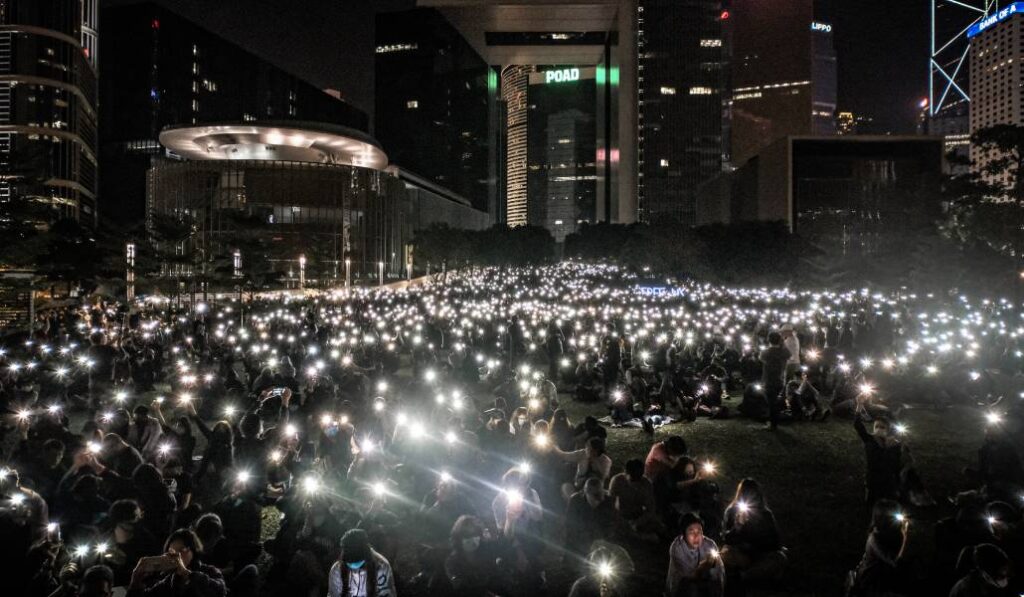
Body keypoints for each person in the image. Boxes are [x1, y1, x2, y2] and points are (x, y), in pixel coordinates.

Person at [720, 479, 786, 587]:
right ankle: (753, 576)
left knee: (780, 557)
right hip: (740, 554)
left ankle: (743, 576)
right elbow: (726, 539)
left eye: (753, 496)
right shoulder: (732, 511)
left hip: (761, 555)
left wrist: (759, 539)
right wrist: (737, 527)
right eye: (746, 496)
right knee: (724, 554)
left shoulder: (765, 514)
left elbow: (775, 541)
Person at [127, 528, 226, 597]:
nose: (177, 556)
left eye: (182, 550)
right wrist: (135, 581)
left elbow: (219, 591)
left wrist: (185, 573)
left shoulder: (210, 571)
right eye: (172, 552)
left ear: (193, 550)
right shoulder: (170, 581)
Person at [849, 499, 910, 596]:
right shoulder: (874, 538)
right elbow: (895, 561)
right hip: (872, 579)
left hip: (886, 574)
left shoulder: (892, 532)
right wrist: (905, 536)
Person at [666, 512, 724, 597]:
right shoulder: (677, 548)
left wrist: (713, 567)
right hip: (682, 587)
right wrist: (703, 566)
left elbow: (719, 572)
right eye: (691, 532)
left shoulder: (710, 545)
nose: (696, 536)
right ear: (684, 534)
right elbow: (687, 576)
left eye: (699, 531)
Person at [327, 528, 396, 597]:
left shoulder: (381, 566)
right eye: (350, 563)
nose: (354, 567)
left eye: (357, 561)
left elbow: (387, 594)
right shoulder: (337, 570)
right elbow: (334, 595)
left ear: (366, 556)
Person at [565, 478, 621, 559]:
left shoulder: (609, 502)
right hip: (580, 541)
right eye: (593, 498)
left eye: (598, 500)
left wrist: (602, 539)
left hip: (602, 541)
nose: (596, 502)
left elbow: (613, 524)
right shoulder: (576, 501)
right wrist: (585, 543)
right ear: (586, 493)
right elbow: (571, 525)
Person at [608, 458, 662, 539]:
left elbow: (650, 509)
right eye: (632, 480)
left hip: (637, 515)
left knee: (659, 526)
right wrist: (622, 521)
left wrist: (637, 522)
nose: (635, 483)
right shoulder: (617, 481)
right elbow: (611, 504)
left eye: (638, 479)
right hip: (620, 515)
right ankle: (640, 536)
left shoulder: (646, 484)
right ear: (625, 473)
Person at [552, 436, 613, 501]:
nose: (586, 449)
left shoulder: (606, 461)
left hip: (595, 490)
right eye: (587, 447)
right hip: (579, 486)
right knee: (566, 487)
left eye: (589, 448)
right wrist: (555, 448)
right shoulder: (582, 453)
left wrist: (594, 461)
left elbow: (603, 476)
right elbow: (565, 456)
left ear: (596, 450)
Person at [758, 332, 790, 431]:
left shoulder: (765, 352)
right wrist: (782, 344)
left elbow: (760, 358)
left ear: (769, 340)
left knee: (771, 403)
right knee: (775, 401)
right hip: (780, 379)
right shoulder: (784, 351)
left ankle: (773, 424)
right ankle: (774, 422)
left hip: (768, 380)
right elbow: (789, 354)